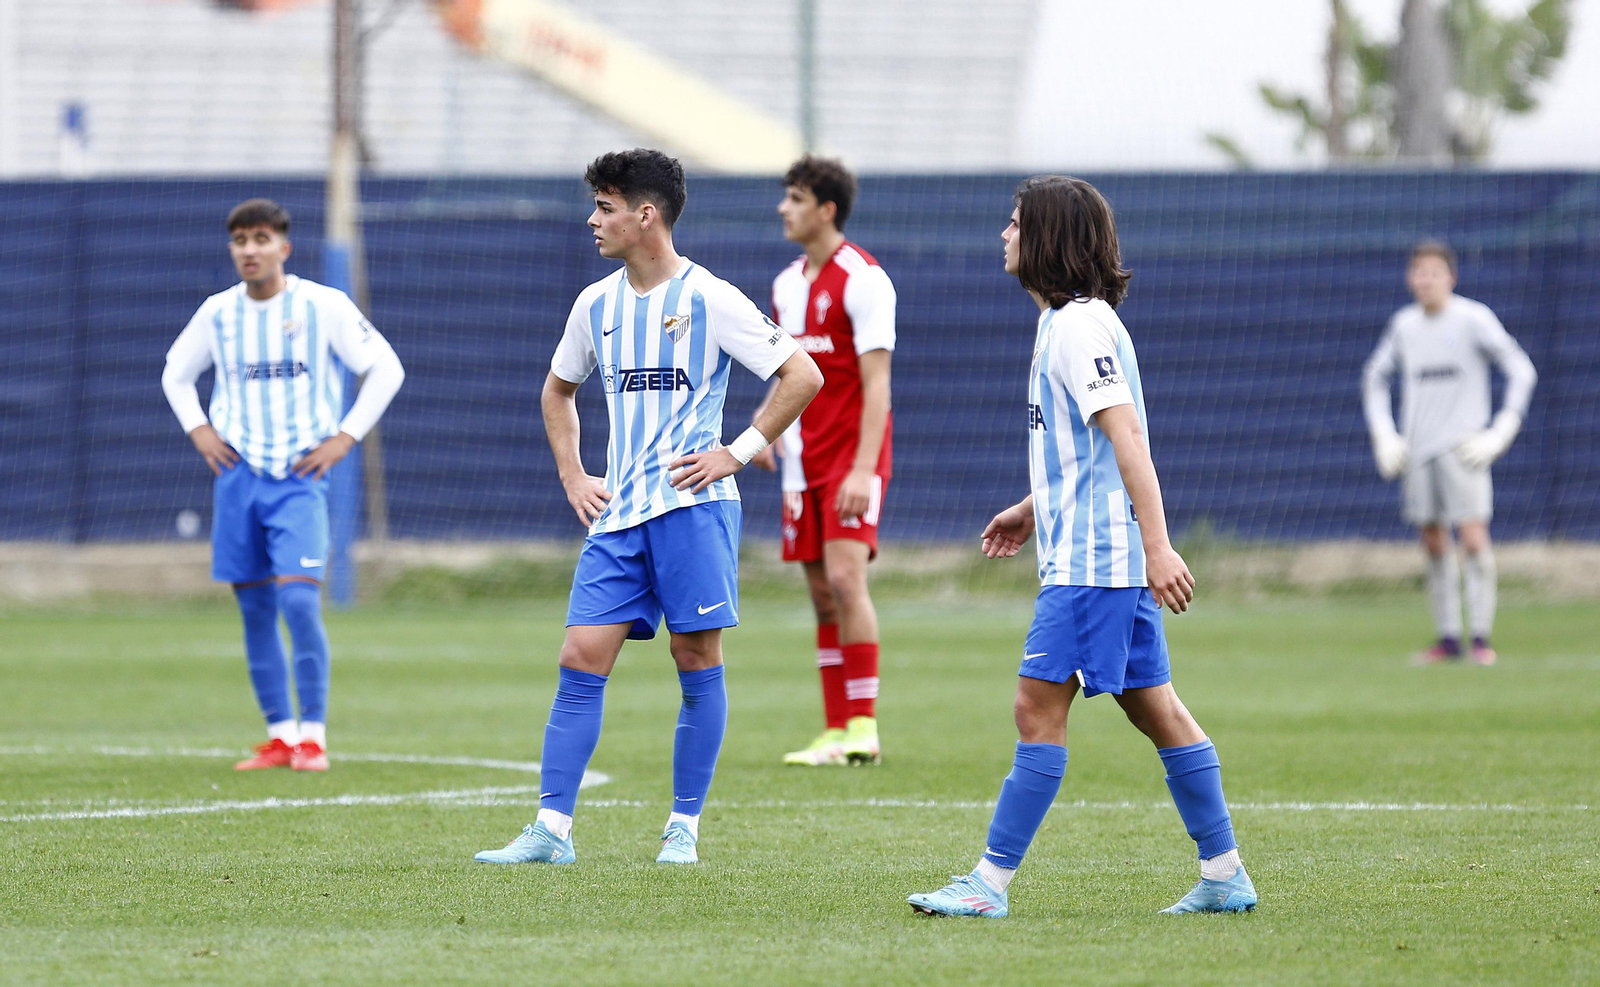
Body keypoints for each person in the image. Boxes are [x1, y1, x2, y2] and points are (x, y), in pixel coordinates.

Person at [906, 176, 1256, 919]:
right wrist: (1033, 507)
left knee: (1036, 708)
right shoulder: (1064, 323)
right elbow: (1090, 452)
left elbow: (1127, 436)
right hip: (1101, 556)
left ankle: (987, 884)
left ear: (1049, 238)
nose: (1004, 234)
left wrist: (1159, 547)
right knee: (1156, 709)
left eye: (1015, 222)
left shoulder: (1077, 329)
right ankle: (1225, 872)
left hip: (1096, 564)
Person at [474, 149, 822, 867]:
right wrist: (574, 475)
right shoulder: (594, 305)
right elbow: (557, 391)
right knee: (580, 656)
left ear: (646, 215)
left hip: (694, 511)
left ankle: (683, 826)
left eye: (605, 207)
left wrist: (737, 450)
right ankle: (551, 829)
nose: (593, 220)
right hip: (619, 516)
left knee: (695, 657)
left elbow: (802, 373)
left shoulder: (710, 297)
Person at [161, 198, 405, 772]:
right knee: (254, 608)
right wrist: (199, 430)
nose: (250, 250)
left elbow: (386, 368)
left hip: (299, 476)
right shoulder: (218, 313)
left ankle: (312, 738)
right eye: (240, 240)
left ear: (283, 248)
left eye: (261, 239)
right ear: (232, 249)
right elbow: (175, 372)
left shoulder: (324, 305)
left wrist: (344, 437)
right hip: (238, 476)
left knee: (297, 599)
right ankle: (280, 735)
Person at [752, 155, 897, 767]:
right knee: (819, 592)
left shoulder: (865, 279)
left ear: (826, 209)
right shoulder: (786, 284)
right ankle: (835, 730)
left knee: (844, 578)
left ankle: (863, 725)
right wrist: (763, 430)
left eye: (796, 198)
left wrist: (864, 469)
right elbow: (789, 372)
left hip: (851, 457)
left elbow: (878, 383)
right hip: (800, 461)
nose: (783, 209)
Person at [1362, 241, 1537, 667]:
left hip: (1463, 449)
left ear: (1451, 277)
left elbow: (1521, 369)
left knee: (1473, 539)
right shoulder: (1404, 325)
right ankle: (1448, 638)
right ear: (1410, 278)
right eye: (1419, 272)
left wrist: (1501, 430)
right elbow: (1374, 378)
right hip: (1418, 450)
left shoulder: (1473, 318)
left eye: (1434, 272)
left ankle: (1480, 638)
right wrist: (1385, 435)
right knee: (1433, 541)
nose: (1426, 280)